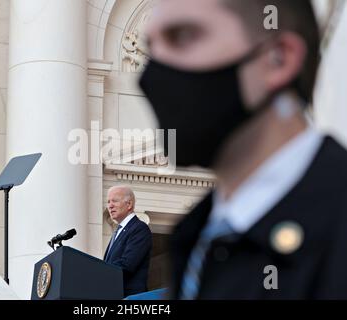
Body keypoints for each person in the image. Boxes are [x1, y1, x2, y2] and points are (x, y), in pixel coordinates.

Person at [140, 0, 347, 299]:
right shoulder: (194, 239)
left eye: (183, 36)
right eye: (150, 48)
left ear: (279, 58)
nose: (150, 74)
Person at [104, 186, 153, 297]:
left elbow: (127, 265)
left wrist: (97, 272)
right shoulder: (118, 231)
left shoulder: (139, 228)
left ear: (129, 204)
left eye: (114, 201)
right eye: (108, 202)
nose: (110, 206)